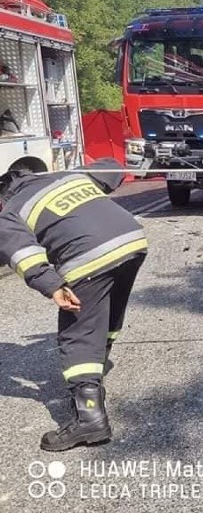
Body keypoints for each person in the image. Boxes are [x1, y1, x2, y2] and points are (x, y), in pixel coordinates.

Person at [0, 158, 147, 451]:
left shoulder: (11, 210)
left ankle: (90, 418)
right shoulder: (69, 177)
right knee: (107, 313)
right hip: (132, 240)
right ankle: (98, 363)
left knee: (77, 330)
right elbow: (113, 169)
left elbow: (22, 253)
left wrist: (53, 285)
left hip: (87, 256)